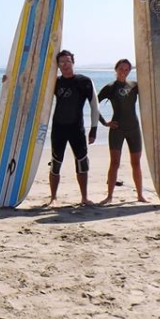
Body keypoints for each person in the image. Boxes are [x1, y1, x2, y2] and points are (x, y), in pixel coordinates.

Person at [48, 49, 100, 207]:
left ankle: (84, 197)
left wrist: (94, 129)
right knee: (56, 162)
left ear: (73, 62)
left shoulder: (84, 81)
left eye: (67, 61)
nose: (65, 65)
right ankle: (53, 198)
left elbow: (94, 105)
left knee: (82, 162)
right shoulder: (54, 82)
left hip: (77, 128)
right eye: (61, 62)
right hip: (58, 128)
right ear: (57, 65)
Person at [97, 58, 148, 204]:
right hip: (117, 129)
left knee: (136, 163)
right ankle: (109, 196)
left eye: (126, 69)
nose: (123, 72)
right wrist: (104, 122)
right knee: (114, 163)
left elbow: (151, 97)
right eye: (121, 69)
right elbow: (94, 104)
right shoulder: (110, 87)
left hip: (134, 128)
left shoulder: (134, 85)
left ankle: (140, 195)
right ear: (116, 69)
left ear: (129, 71)